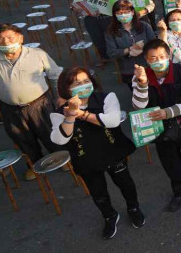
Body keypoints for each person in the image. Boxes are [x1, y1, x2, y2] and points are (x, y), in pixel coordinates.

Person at [50, 67, 142, 239]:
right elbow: (59, 139)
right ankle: (109, 216)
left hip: (113, 151)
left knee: (125, 183)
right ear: (66, 88)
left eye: (86, 81)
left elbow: (113, 121)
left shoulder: (106, 97)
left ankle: (133, 207)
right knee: (98, 192)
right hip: (86, 159)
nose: (83, 85)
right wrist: (70, 116)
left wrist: (82, 114)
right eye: (77, 84)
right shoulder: (59, 112)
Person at [131, 40, 181, 211]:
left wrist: (169, 112)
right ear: (146, 59)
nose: (159, 60)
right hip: (161, 130)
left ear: (169, 56)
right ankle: (180, 191)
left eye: (162, 56)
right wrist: (142, 83)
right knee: (170, 162)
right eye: (153, 58)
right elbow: (138, 106)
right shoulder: (140, 76)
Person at [0, 24, 63, 181]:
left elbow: (55, 74)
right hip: (10, 109)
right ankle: (35, 164)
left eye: (10, 37)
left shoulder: (36, 54)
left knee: (49, 133)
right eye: (0, 39)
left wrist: (59, 96)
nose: (6, 42)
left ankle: (60, 159)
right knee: (22, 138)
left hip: (40, 104)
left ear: (20, 38)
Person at [104, 0, 156, 86]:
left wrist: (143, 48)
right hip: (128, 70)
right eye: (119, 13)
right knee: (138, 95)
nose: (123, 15)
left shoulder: (144, 26)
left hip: (149, 66)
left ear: (132, 12)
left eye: (126, 12)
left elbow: (154, 45)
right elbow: (111, 53)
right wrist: (130, 49)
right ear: (115, 15)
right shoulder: (110, 32)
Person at [79, 0, 112, 66]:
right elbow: (79, 3)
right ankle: (104, 57)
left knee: (112, 36)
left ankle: (116, 56)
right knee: (97, 38)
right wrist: (77, 7)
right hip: (91, 18)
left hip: (107, 17)